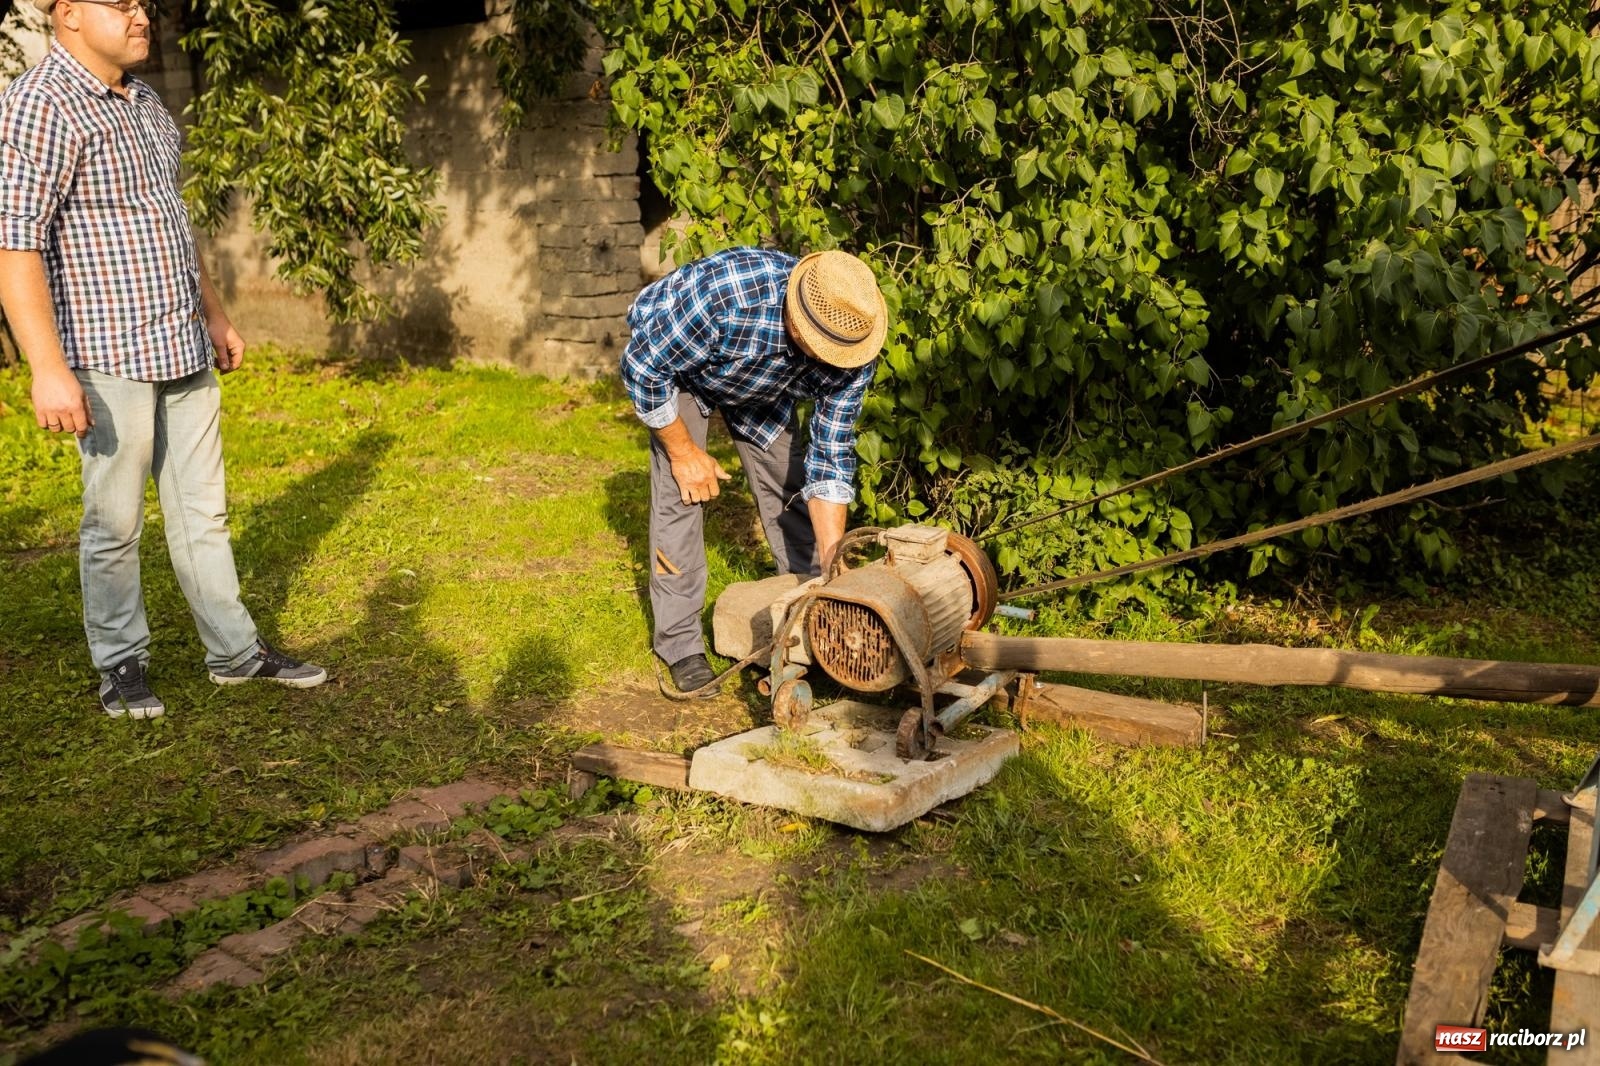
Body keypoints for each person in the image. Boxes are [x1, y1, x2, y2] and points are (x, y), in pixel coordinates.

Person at [0, 0, 326, 720]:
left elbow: (169, 217)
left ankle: (234, 653)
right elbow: (14, 241)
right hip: (107, 350)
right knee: (114, 525)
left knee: (203, 512)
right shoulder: (39, 104)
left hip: (180, 341)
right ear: (68, 15)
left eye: (141, 1)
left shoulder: (146, 101)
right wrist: (45, 367)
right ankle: (121, 664)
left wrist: (213, 313)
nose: (140, 13)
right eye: (120, 4)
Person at [621, 246, 887, 694]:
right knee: (683, 496)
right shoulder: (727, 296)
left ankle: (814, 623)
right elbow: (643, 368)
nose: (831, 364)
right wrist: (686, 455)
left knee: (793, 486)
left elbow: (831, 454)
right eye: (820, 351)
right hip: (680, 371)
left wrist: (834, 563)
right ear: (798, 325)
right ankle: (680, 645)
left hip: (762, 385)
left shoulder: (852, 346)